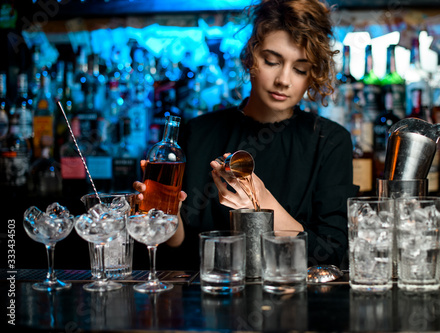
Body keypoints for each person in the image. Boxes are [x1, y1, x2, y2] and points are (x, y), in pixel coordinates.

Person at [134, 0, 358, 270]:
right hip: (209, 298)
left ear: (313, 75)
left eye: (300, 69)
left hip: (294, 302)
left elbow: (332, 254)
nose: (283, 80)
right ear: (250, 56)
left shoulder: (330, 141)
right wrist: (167, 213)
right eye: (272, 61)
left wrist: (260, 203)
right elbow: (181, 249)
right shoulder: (198, 132)